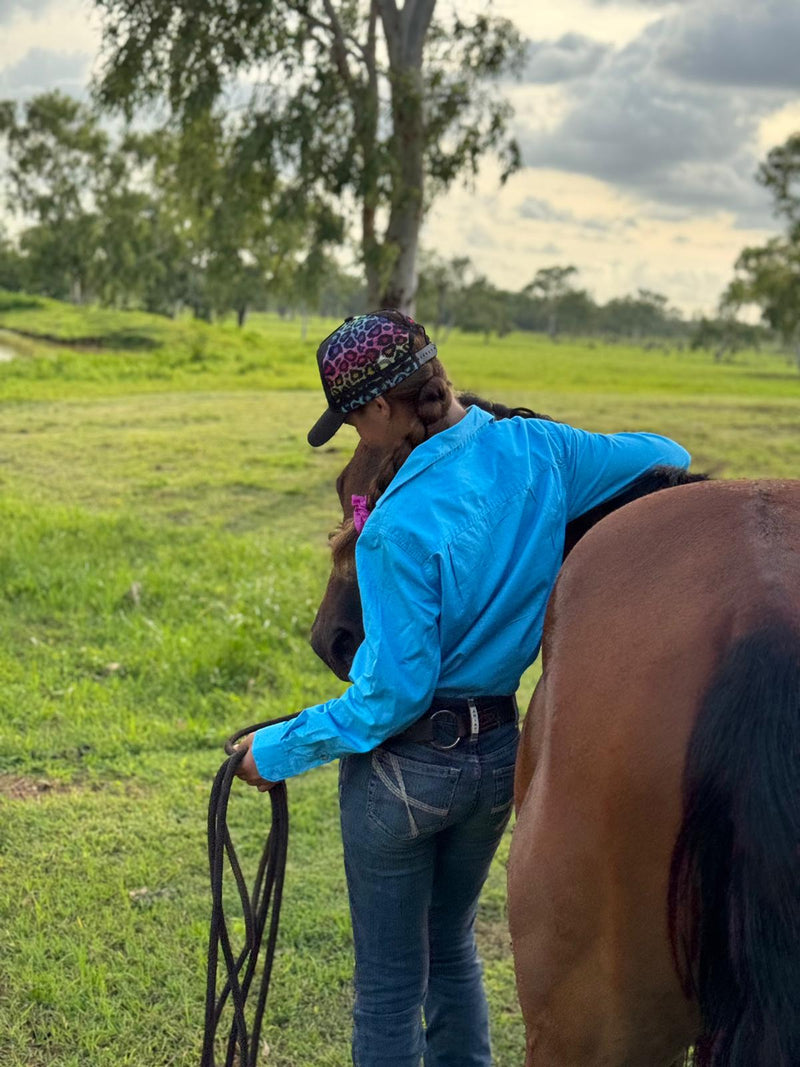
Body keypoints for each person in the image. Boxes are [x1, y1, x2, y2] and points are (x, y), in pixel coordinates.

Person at [235, 309, 691, 1066]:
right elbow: (666, 452)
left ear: (381, 407)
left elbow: (391, 697)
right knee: (451, 949)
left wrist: (276, 748)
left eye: (352, 422)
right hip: (495, 763)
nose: (357, 440)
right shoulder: (538, 446)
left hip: (405, 775)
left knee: (387, 984)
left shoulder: (393, 528)